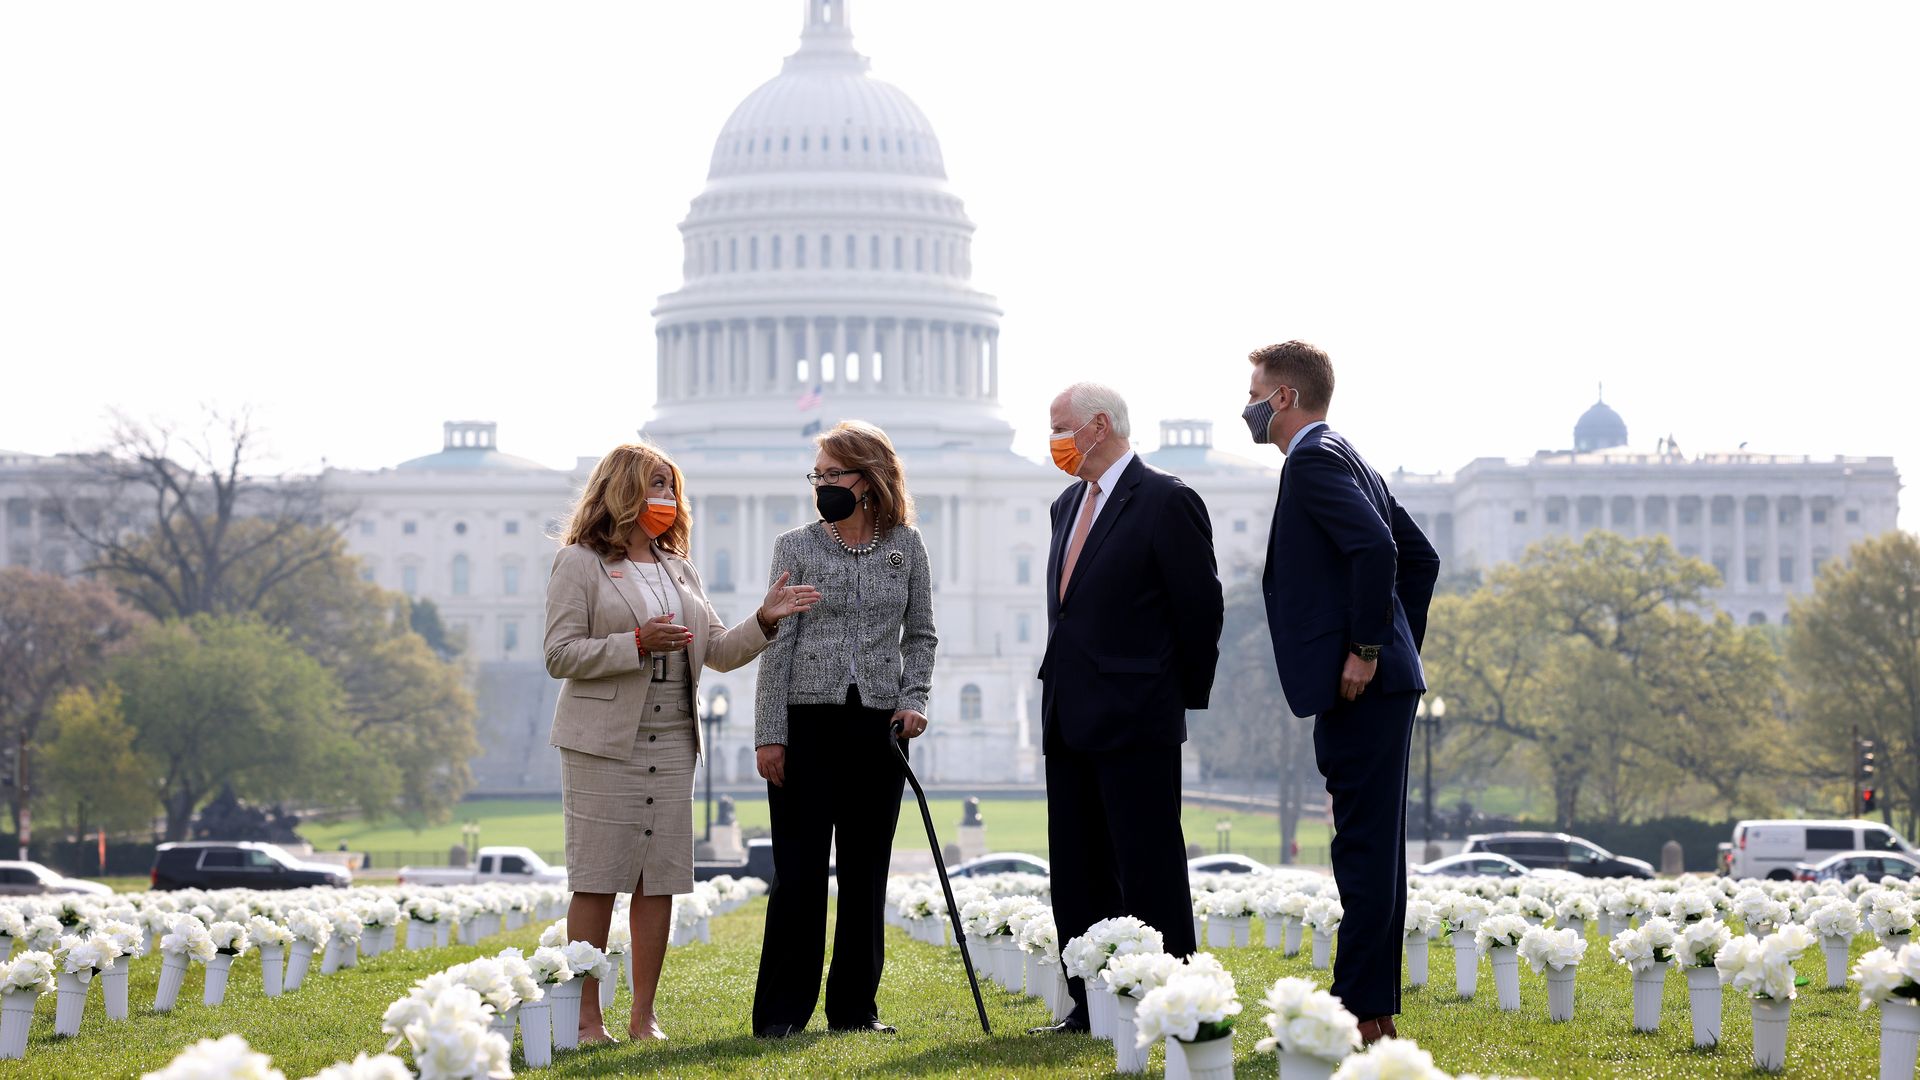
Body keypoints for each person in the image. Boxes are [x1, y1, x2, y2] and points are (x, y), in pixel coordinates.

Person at [544, 440, 821, 1043]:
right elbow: (560, 654)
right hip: (604, 742)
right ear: (620, 491)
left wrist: (767, 618)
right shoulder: (580, 562)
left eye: (670, 487)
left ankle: (643, 1017)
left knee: (658, 880)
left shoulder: (679, 567)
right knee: (595, 879)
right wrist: (636, 644)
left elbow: (718, 649)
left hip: (672, 737)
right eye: (653, 486)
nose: (665, 499)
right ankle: (587, 1019)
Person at [1246, 341, 1439, 1044]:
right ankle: (1373, 1010)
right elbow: (1419, 558)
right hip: (1380, 688)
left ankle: (1359, 1012)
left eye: (1256, 390)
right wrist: (1395, 651)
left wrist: (1367, 652)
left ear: (1285, 397)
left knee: (1361, 850)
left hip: (1361, 688)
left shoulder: (1315, 461)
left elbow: (1382, 553)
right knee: (1376, 851)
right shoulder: (1347, 454)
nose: (1250, 404)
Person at [1029, 382, 1224, 1035]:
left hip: (1137, 715)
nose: (1053, 439)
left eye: (1061, 427)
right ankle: (1091, 1005)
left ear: (1098, 425)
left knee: (1149, 870)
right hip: (1068, 713)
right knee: (1077, 871)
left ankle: (1174, 1002)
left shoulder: (1167, 499)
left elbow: (1200, 611)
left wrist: (1174, 696)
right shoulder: (1065, 503)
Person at [751, 419, 937, 1038]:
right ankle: (782, 1015)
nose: (822, 485)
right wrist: (768, 733)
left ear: (871, 478)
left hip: (878, 728)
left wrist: (915, 699)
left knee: (865, 874)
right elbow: (778, 644)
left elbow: (922, 634)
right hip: (807, 724)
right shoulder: (796, 545)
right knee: (799, 875)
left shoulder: (905, 546)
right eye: (818, 475)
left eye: (834, 474)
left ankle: (856, 1011)